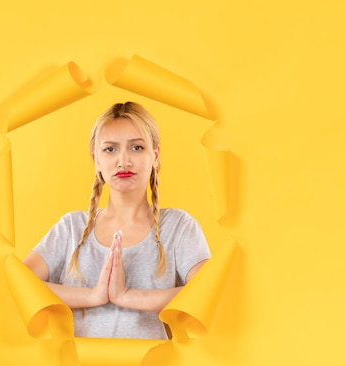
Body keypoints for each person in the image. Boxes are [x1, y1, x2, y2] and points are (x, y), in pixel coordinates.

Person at [22, 101, 211, 340]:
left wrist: (126, 295)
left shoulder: (178, 227)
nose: (123, 161)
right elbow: (21, 283)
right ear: (96, 160)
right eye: (110, 149)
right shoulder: (71, 227)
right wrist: (94, 296)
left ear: (155, 156)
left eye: (137, 147)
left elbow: (207, 292)